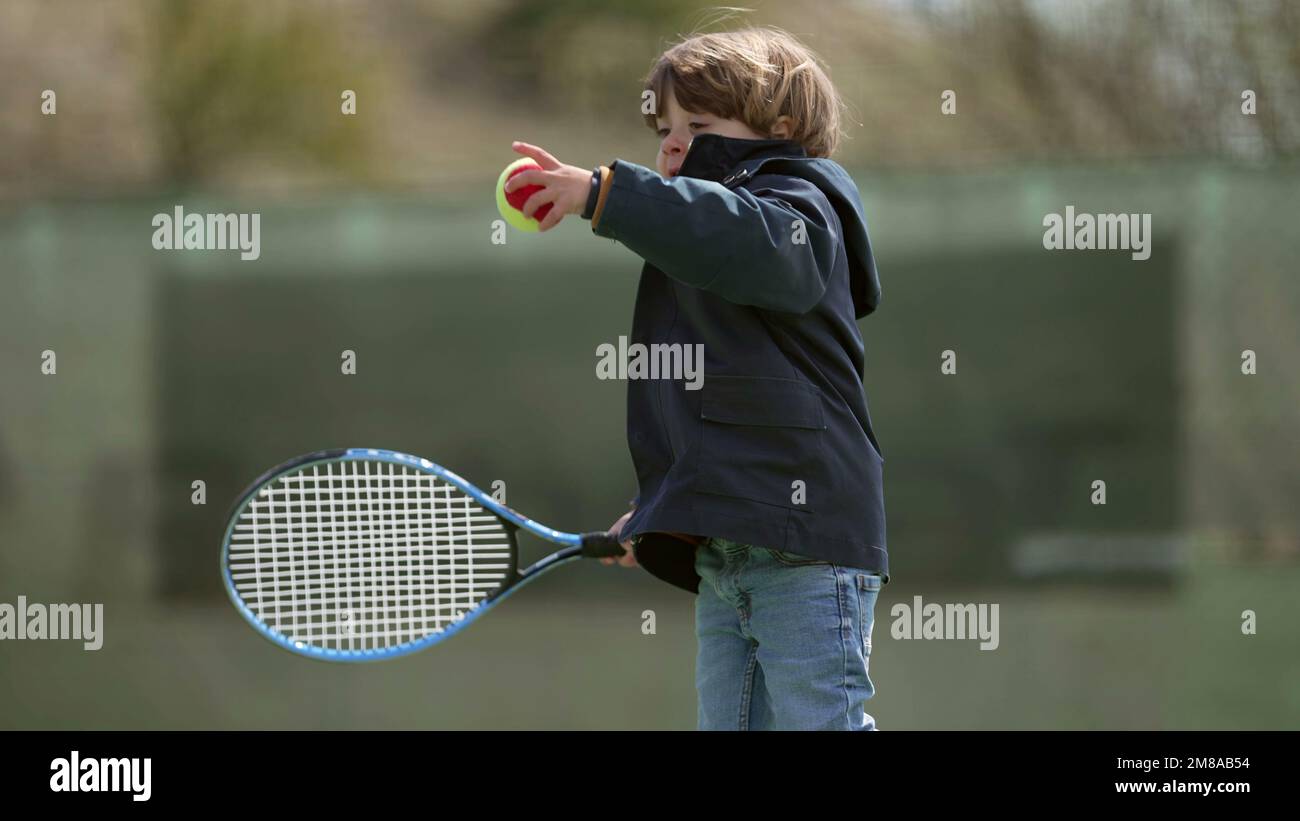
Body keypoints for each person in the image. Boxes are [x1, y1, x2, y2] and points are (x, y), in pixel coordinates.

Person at [503, 26, 888, 731]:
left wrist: (603, 194)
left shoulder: (801, 208)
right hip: (725, 560)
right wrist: (660, 511)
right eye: (665, 127)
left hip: (806, 543)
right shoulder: (704, 261)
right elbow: (717, 420)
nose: (673, 143)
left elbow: (737, 236)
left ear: (782, 127)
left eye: (699, 125)